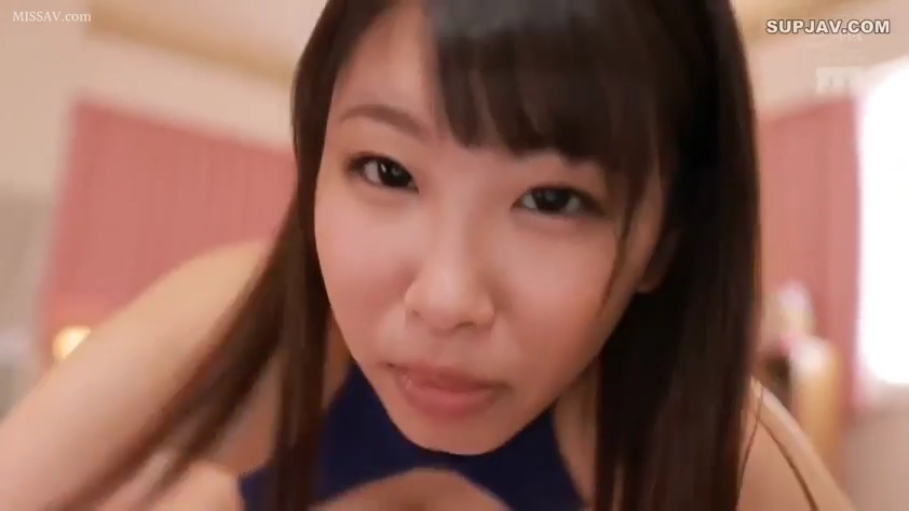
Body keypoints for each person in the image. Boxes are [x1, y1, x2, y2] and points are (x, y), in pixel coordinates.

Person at [0, 0, 854, 510]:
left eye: (552, 201)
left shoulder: (719, 451)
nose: (444, 297)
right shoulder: (220, 336)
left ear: (665, 240)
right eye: (387, 170)